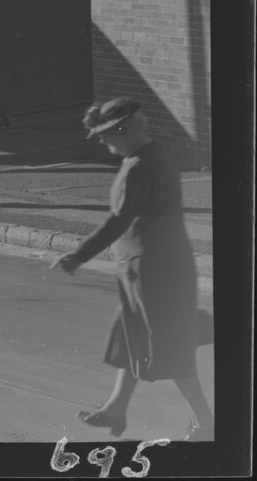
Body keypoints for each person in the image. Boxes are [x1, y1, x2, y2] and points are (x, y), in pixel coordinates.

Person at [49, 98, 212, 441]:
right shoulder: (153, 155)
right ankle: (116, 407)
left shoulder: (139, 165)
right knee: (131, 336)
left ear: (124, 130)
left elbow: (119, 218)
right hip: (150, 267)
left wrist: (79, 255)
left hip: (154, 269)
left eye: (106, 134)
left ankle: (206, 422)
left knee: (169, 347)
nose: (102, 141)